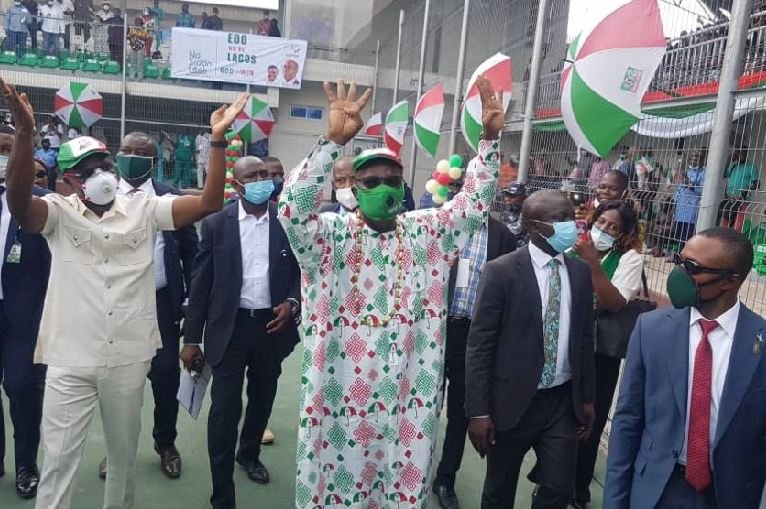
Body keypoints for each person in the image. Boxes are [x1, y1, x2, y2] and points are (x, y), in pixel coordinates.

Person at [0, 77, 248, 509]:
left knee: (122, 460)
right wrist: (24, 134)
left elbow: (209, 203)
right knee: (57, 461)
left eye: (104, 165)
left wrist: (217, 140)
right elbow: (21, 204)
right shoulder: (57, 213)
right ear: (72, 180)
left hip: (128, 358)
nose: (100, 175)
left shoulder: (145, 210)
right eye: (88, 170)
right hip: (70, 359)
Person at [278, 77, 504, 508]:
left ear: (403, 187)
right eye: (371, 180)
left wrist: (489, 141)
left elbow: (475, 203)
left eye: (392, 179)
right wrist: (331, 142)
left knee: (401, 491)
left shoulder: (429, 235)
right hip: (338, 403)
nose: (383, 186)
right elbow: (291, 210)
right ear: (354, 189)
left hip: (407, 407)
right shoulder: (327, 238)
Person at [604, 228, 766, 509]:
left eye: (691, 268)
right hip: (658, 488)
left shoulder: (759, 339)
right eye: (679, 261)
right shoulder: (651, 330)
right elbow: (628, 420)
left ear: (731, 280)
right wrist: (615, 500)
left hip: (729, 493)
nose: (678, 274)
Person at [465, 189, 596, 509]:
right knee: (499, 488)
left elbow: (583, 339)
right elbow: (480, 346)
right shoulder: (502, 271)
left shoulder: (579, 273)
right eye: (561, 219)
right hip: (510, 402)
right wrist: (478, 411)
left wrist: (587, 397)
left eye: (572, 216)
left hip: (561, 402)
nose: (571, 225)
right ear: (534, 227)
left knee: (558, 487)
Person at [183, 156, 301, 508]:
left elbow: (300, 270)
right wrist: (191, 338)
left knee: (263, 398)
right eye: (254, 175)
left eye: (266, 174)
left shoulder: (287, 221)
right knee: (224, 410)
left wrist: (292, 302)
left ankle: (248, 454)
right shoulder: (217, 225)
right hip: (229, 329)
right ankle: (222, 495)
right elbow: (201, 283)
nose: (263, 180)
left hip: (271, 327)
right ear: (237, 185)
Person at [95, 132, 199, 481]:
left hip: (161, 304)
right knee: (120, 383)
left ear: (154, 161)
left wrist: (187, 298)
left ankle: (165, 443)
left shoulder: (171, 196)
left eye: (143, 153)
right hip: (115, 303)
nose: (134, 157)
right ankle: (117, 450)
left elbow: (190, 252)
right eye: (127, 151)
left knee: (166, 376)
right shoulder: (100, 195)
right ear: (117, 155)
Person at [433, 206, 517, 509]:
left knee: (460, 412)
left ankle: (446, 478)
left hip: (475, 338)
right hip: (433, 331)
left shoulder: (502, 236)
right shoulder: (439, 225)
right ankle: (407, 469)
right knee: (421, 407)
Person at [571, 201, 644, 509]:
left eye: (613, 227)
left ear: (624, 234)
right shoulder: (574, 246)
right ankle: (552, 480)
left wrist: (593, 265)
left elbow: (614, 302)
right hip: (568, 342)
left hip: (601, 352)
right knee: (561, 414)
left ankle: (578, 489)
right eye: (602, 222)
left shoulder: (629, 258)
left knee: (591, 420)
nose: (604, 230)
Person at [0, 125, 51, 499]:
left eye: (9, 149)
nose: (4, 157)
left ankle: (26, 465)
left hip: (27, 316)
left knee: (22, 390)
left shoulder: (44, 202)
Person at [672, 149, 705, 255]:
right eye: (693, 157)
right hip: (680, 208)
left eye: (697, 157)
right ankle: (678, 254)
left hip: (691, 208)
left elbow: (703, 189)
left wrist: (691, 185)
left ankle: (686, 255)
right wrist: (675, 201)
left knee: (688, 235)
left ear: (702, 159)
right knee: (679, 234)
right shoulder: (687, 171)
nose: (694, 160)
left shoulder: (704, 172)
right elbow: (680, 188)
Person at [719, 146, 759, 227]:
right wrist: (729, 159)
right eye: (738, 153)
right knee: (724, 223)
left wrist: (745, 192)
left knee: (737, 225)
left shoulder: (751, 167)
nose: (740, 155)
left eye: (742, 153)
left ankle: (734, 238)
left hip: (742, 199)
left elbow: (757, 184)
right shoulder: (733, 166)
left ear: (746, 153)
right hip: (730, 198)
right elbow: (722, 175)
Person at [499, 181, 529, 249]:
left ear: (523, 197)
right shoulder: (508, 209)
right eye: (506, 195)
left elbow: (516, 230)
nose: (507, 198)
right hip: (507, 245)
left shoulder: (527, 210)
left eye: (512, 196)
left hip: (521, 249)